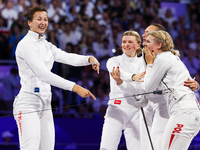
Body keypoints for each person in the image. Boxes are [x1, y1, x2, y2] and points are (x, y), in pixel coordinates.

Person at [13, 5, 100, 150]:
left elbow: (67, 57)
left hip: (46, 104)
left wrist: (88, 59)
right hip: (28, 102)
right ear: (29, 22)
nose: (43, 22)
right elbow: (44, 74)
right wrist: (75, 87)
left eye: (45, 19)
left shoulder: (46, 44)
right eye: (39, 19)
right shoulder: (26, 45)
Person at [144, 30, 200, 150]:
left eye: (148, 42)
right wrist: (197, 85)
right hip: (187, 112)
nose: (145, 44)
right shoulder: (172, 58)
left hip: (183, 113)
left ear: (159, 45)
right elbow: (189, 82)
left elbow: (148, 88)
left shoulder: (162, 59)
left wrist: (149, 64)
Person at [100, 30, 146, 150]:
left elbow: (138, 90)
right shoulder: (113, 61)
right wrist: (132, 77)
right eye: (124, 42)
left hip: (135, 111)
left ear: (137, 45)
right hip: (115, 110)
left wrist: (120, 82)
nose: (126, 44)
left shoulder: (143, 63)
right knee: (106, 147)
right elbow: (117, 70)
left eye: (130, 42)